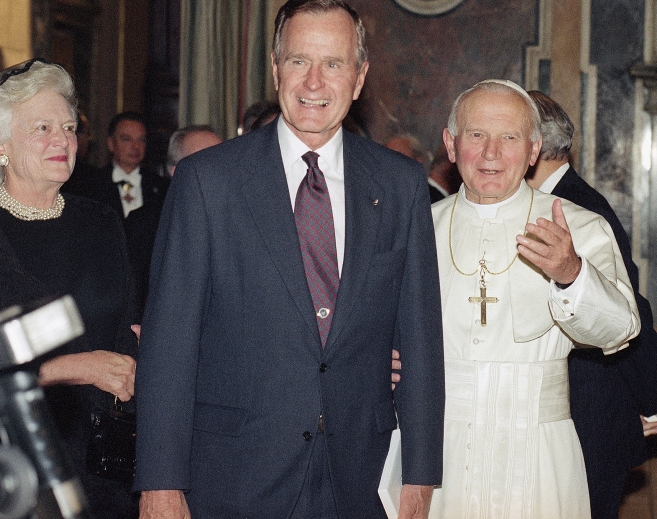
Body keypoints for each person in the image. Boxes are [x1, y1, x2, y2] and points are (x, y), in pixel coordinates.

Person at [133, 1, 445, 518]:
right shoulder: (208, 181)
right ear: (276, 68)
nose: (315, 82)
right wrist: (160, 483)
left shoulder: (399, 185)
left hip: (359, 476)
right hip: (234, 475)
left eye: (334, 63)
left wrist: (421, 472)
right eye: (299, 61)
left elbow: (421, 339)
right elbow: (170, 342)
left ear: (360, 76)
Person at [428, 79, 640, 518]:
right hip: (438, 445)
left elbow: (621, 329)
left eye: (509, 137)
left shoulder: (579, 226)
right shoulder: (418, 226)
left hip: (539, 447)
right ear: (451, 144)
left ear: (533, 149)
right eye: (476, 135)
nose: (491, 153)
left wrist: (571, 274)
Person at [0, 58, 139, 518]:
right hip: (10, 477)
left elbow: (128, 329)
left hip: (106, 471)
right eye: (42, 127)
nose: (62, 140)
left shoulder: (101, 221)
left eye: (68, 128)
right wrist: (74, 367)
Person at [526, 89, 657, 519]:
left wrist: (651, 400)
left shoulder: (576, 208)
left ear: (535, 145)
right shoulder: (560, 199)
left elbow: (629, 311)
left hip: (591, 416)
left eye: (510, 136)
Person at [67, 111, 169, 310]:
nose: (135, 146)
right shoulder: (87, 186)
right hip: (104, 284)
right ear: (111, 143)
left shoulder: (163, 188)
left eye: (141, 140)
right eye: (126, 139)